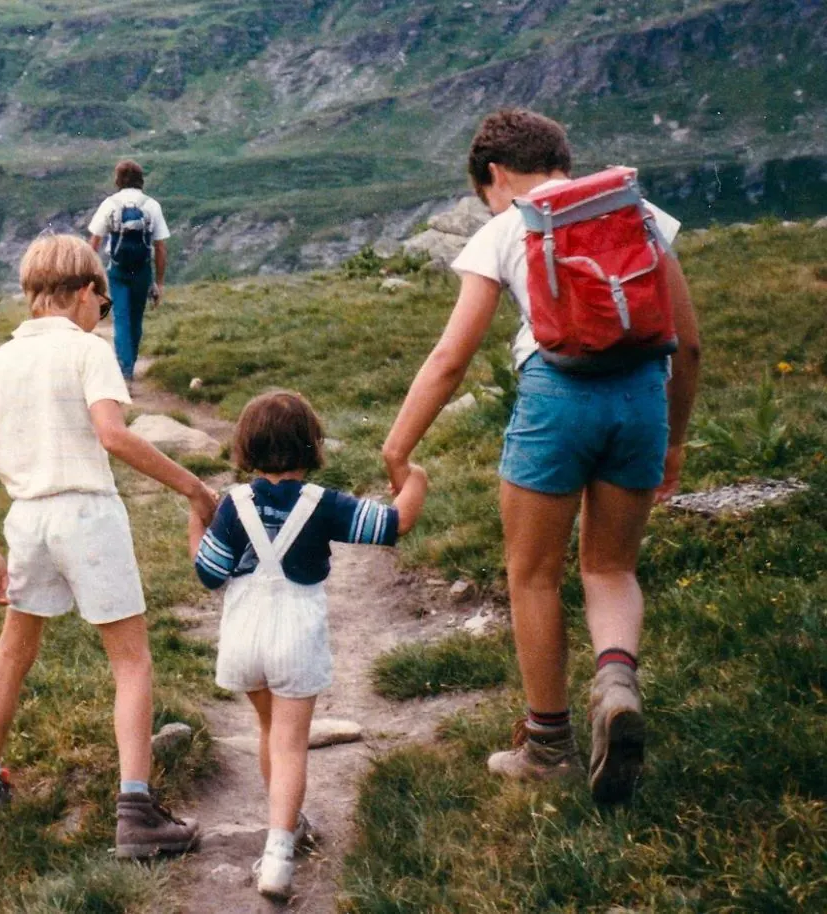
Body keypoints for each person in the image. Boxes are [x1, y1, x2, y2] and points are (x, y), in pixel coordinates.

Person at [383, 109, 701, 804]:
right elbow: (689, 342)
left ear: (494, 175)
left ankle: (550, 746)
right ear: (563, 157)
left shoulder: (506, 227)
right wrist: (674, 439)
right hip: (642, 398)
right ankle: (616, 679)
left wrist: (398, 445)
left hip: (557, 399)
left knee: (533, 577)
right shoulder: (640, 213)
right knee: (611, 566)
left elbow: (450, 358)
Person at [0, 233, 218, 858]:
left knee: (13, 652)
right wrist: (194, 488)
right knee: (129, 660)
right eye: (101, 306)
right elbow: (113, 435)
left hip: (27, 520)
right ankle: (136, 813)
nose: (100, 315)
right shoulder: (88, 351)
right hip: (87, 515)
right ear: (83, 293)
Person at [190, 391, 428, 900]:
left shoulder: (233, 505)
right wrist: (416, 482)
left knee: (269, 730)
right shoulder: (325, 504)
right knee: (291, 742)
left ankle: (288, 822)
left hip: (244, 634)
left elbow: (208, 574)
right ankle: (279, 852)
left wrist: (197, 519)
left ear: (245, 448)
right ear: (311, 446)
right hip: (295, 632)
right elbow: (393, 524)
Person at [88, 159, 170, 383]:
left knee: (121, 319)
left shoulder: (110, 204)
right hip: (142, 272)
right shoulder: (151, 205)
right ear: (140, 179)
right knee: (136, 319)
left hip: (118, 271)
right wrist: (159, 282)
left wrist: (89, 274)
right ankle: (130, 363)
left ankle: (124, 371)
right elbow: (161, 247)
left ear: (118, 179)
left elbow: (94, 241)